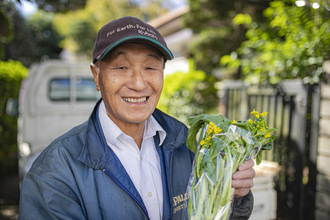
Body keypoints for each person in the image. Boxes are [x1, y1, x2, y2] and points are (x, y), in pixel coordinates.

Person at [18, 16, 255, 220]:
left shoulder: (189, 145)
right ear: (96, 75)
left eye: (151, 68)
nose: (139, 84)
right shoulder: (53, 172)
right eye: (121, 68)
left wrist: (236, 196)